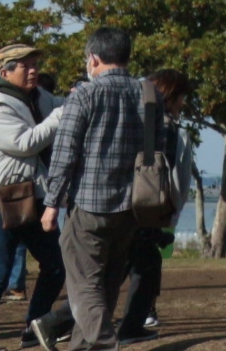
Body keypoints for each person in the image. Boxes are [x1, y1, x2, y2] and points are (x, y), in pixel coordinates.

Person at [36, 30, 145, 351]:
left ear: (94, 58)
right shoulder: (149, 94)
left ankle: (102, 345)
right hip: (133, 204)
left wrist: (51, 203)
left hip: (89, 204)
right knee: (108, 283)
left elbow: (64, 153)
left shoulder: (84, 95)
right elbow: (160, 150)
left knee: (84, 285)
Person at [0, 45, 65, 351]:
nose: (33, 70)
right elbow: (25, 143)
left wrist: (78, 98)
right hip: (2, 202)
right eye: (25, 66)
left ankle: (34, 326)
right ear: (5, 72)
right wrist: (58, 117)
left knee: (56, 265)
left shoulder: (38, 97)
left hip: (33, 196)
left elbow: (61, 106)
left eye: (35, 64)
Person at [113, 71, 199, 341]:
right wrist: (170, 211)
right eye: (181, 97)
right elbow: (172, 175)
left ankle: (132, 325)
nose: (183, 103)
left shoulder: (133, 122)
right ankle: (56, 322)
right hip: (148, 206)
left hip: (127, 204)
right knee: (125, 269)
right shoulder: (169, 129)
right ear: (170, 96)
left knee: (136, 264)